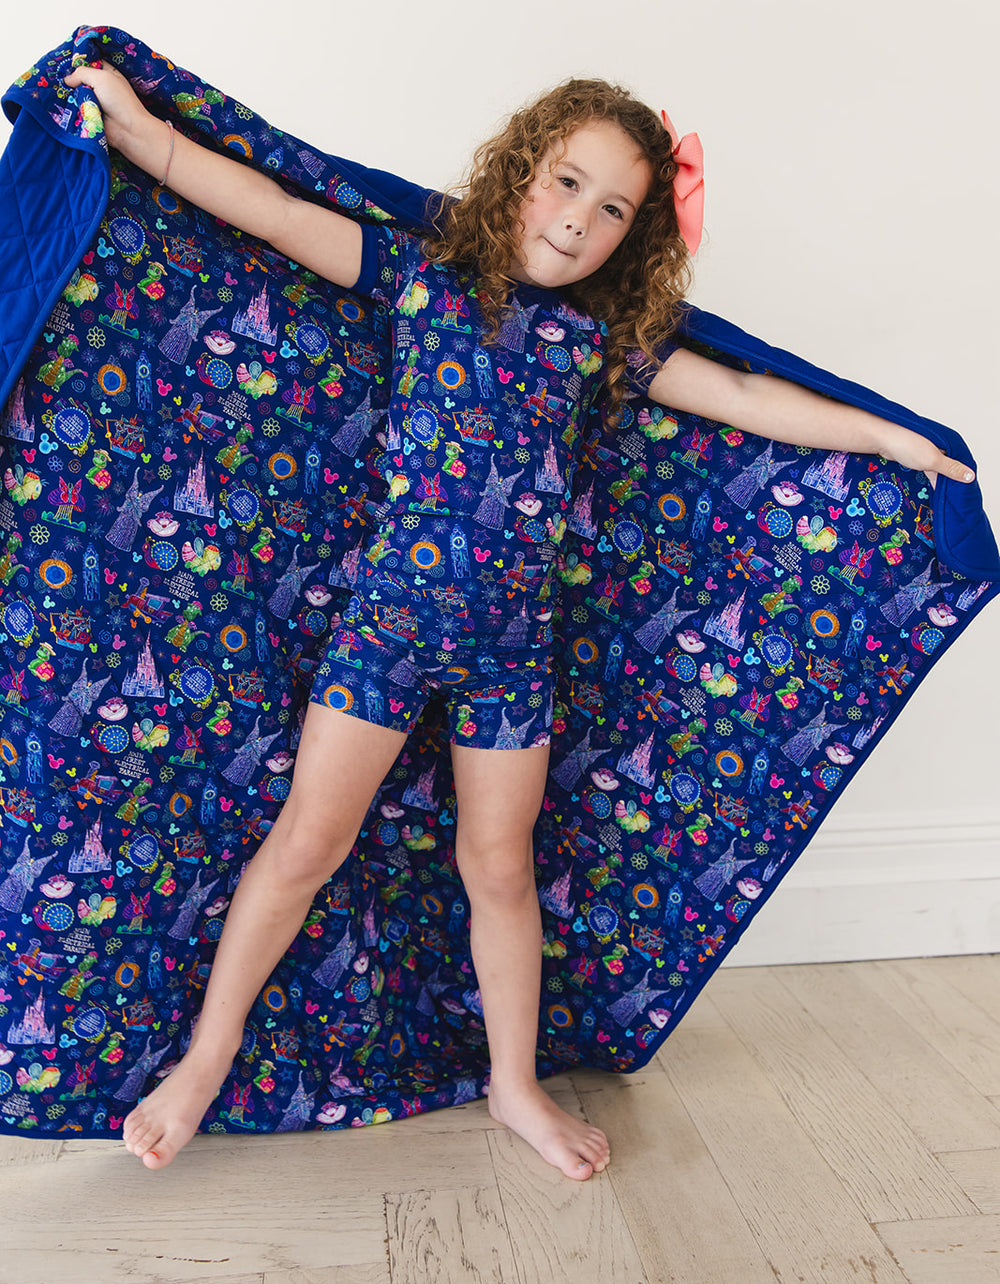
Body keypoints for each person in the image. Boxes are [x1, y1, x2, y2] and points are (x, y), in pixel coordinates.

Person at [63, 60, 975, 1179]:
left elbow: (741, 396)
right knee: (307, 844)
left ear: (634, 237)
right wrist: (141, 134)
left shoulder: (598, 341)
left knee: (499, 869)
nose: (580, 220)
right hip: (385, 635)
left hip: (510, 658)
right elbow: (278, 213)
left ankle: (513, 1083)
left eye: (614, 210)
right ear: (519, 174)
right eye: (567, 183)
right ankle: (206, 1059)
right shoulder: (421, 278)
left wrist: (887, 438)